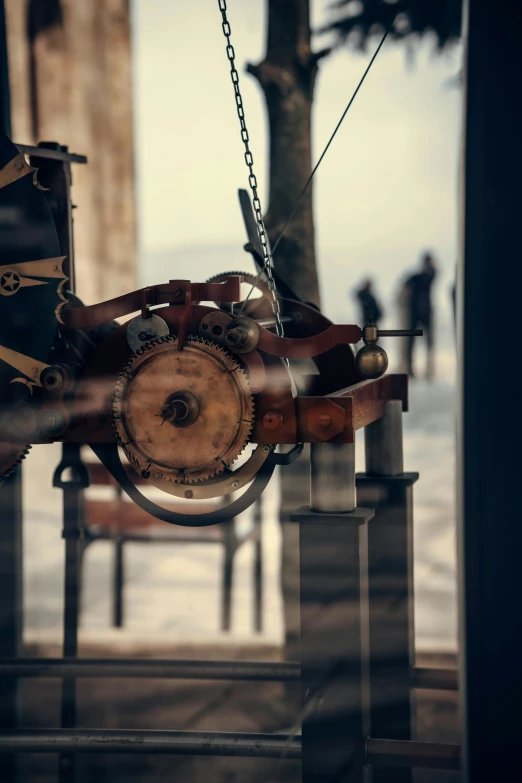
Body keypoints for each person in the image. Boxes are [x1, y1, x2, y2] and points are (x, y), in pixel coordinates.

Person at [402, 252, 437, 380]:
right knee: (414, 343)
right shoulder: (417, 277)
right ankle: (412, 369)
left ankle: (427, 370)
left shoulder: (423, 277)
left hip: (421, 312)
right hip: (417, 312)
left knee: (425, 342)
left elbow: (435, 272)